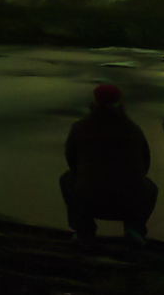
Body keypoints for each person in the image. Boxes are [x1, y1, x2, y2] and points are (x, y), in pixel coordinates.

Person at [60, 83, 158, 244]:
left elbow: (72, 163)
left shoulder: (80, 128)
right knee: (151, 187)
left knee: (66, 180)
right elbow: (145, 164)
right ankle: (133, 229)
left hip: (90, 201)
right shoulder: (133, 129)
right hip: (128, 204)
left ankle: (84, 229)